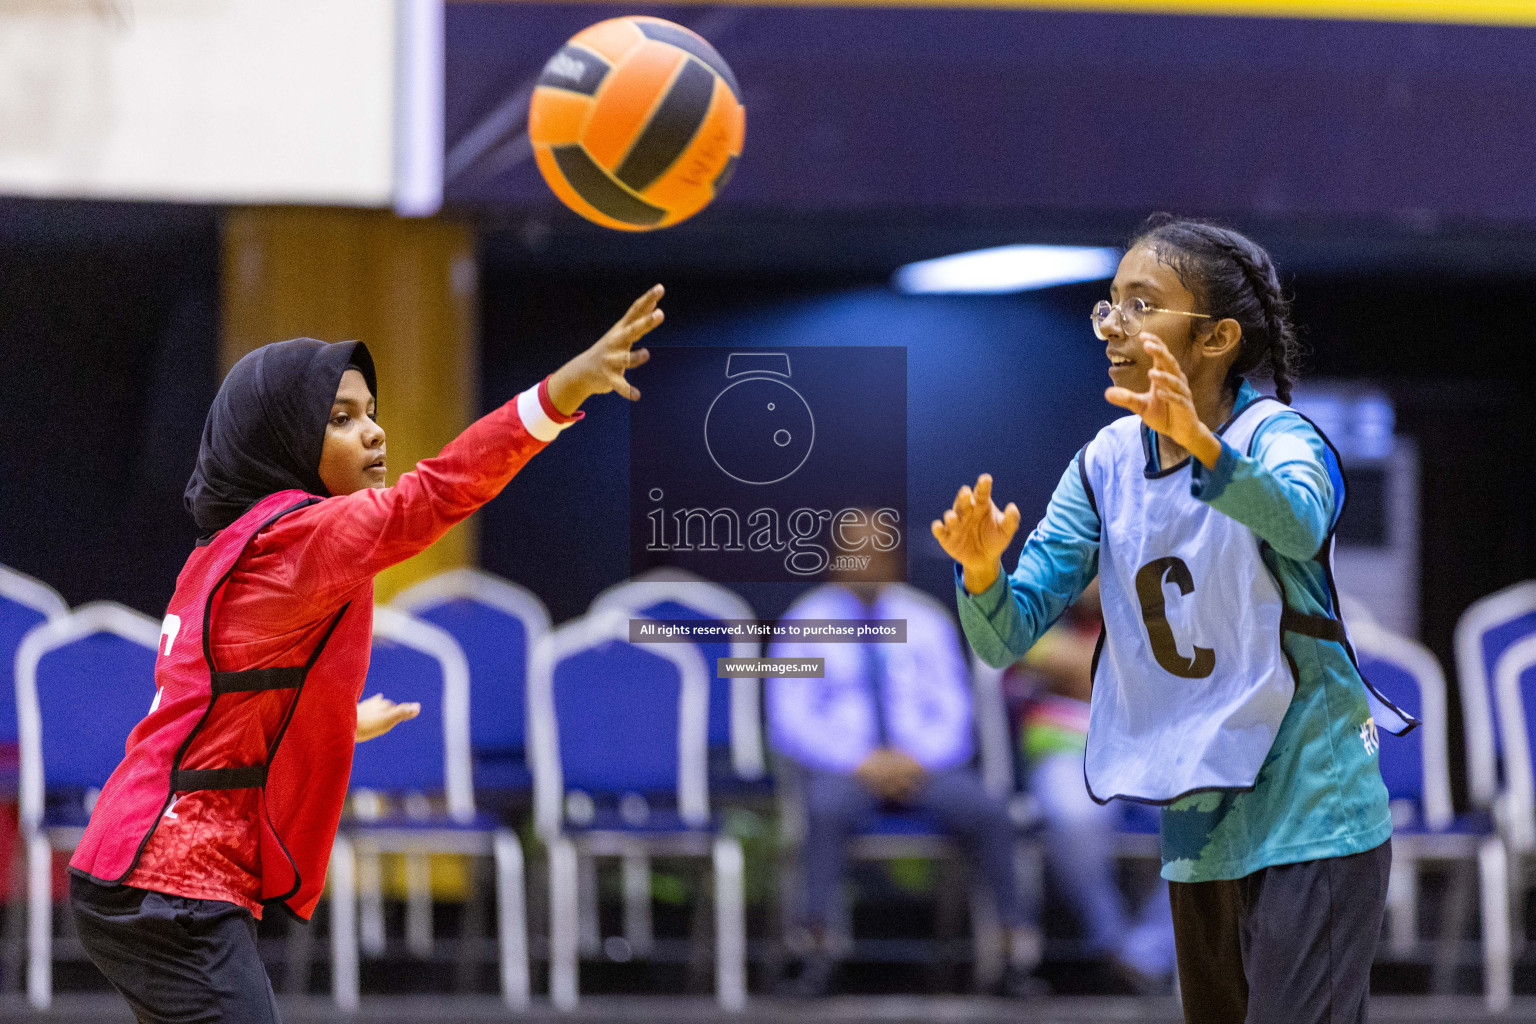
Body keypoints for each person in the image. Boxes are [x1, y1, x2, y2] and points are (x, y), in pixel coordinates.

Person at [67, 286, 665, 1023]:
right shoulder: (298, 535)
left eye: (371, 413)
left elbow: (220, 700)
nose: (375, 434)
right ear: (279, 438)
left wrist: (332, 718)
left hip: (135, 866)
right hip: (170, 878)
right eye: (342, 419)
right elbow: (438, 494)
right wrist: (563, 389)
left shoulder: (233, 543)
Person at [931, 216, 1414, 1024]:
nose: (1114, 325)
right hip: (1197, 810)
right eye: (1109, 305)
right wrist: (982, 574)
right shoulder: (1104, 463)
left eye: (1142, 304)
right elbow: (1002, 637)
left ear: (1218, 336)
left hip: (1311, 798)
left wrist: (1205, 447)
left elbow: (1299, 522)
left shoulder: (1281, 436)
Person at [766, 514, 1035, 997]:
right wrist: (861, 762)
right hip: (846, 770)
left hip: (925, 769)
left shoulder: (926, 620)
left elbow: (955, 711)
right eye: (855, 552)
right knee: (822, 811)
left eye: (877, 552)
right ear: (834, 560)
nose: (866, 563)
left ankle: (1012, 954)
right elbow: (791, 717)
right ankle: (815, 956)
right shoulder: (804, 622)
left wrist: (914, 760)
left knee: (991, 812)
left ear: (894, 560)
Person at [1004, 581, 1176, 991]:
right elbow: (1086, 668)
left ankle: (1145, 953)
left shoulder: (1162, 616)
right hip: (1067, 751)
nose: (1099, 576)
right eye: (1091, 561)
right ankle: (1111, 939)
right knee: (1073, 816)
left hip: (1147, 753)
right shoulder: (1036, 612)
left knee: (1213, 814)